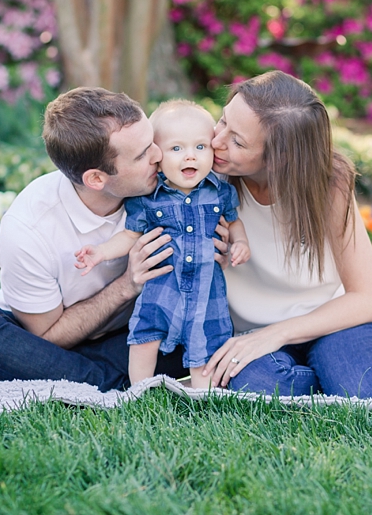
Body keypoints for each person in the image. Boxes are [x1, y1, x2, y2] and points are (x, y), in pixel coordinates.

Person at [0, 87, 194, 392]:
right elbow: (46, 337)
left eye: (152, 141)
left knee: (195, 333)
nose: (158, 155)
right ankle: (104, 379)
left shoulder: (169, 184)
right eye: (141, 154)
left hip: (132, 333)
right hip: (42, 333)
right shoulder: (28, 228)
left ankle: (26, 371)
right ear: (96, 179)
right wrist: (128, 284)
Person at [199, 70, 372, 398]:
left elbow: (366, 298)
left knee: (365, 390)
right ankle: (329, 377)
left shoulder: (329, 184)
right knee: (260, 386)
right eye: (222, 121)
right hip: (251, 330)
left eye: (237, 141)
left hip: (332, 323)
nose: (216, 141)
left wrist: (278, 334)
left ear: (281, 159)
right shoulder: (205, 175)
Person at [75, 101, 251, 389]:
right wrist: (101, 252)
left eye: (200, 147)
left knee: (204, 343)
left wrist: (240, 242)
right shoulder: (148, 198)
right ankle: (139, 389)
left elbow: (233, 223)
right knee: (146, 337)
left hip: (207, 290)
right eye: (177, 149)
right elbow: (131, 235)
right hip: (161, 286)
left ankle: (201, 396)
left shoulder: (220, 193)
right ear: (157, 155)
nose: (190, 157)